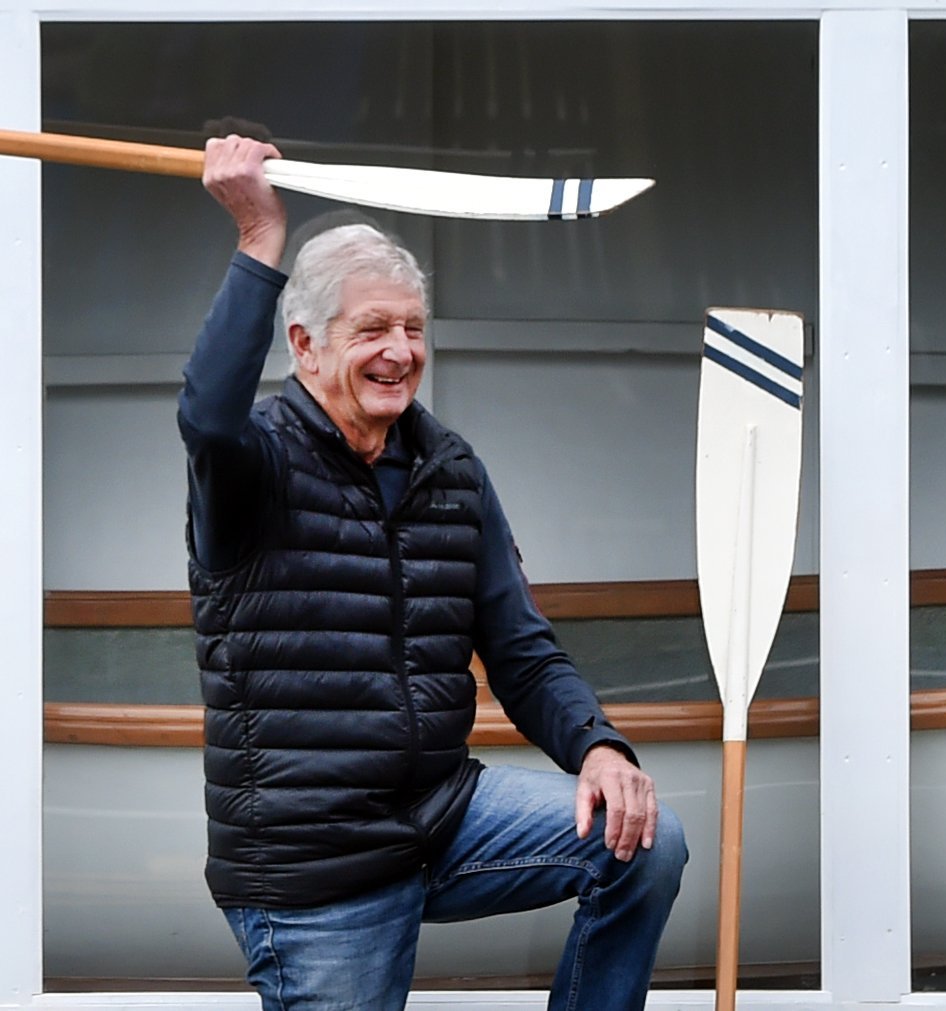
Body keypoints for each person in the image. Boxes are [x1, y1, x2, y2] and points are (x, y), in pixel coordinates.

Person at [179, 130, 688, 1011]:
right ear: (302, 345)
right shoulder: (249, 464)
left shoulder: (448, 468)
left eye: (413, 328)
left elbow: (521, 649)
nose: (400, 350)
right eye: (371, 327)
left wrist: (599, 746)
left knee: (645, 838)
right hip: (317, 867)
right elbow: (206, 414)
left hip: (442, 819)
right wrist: (258, 239)